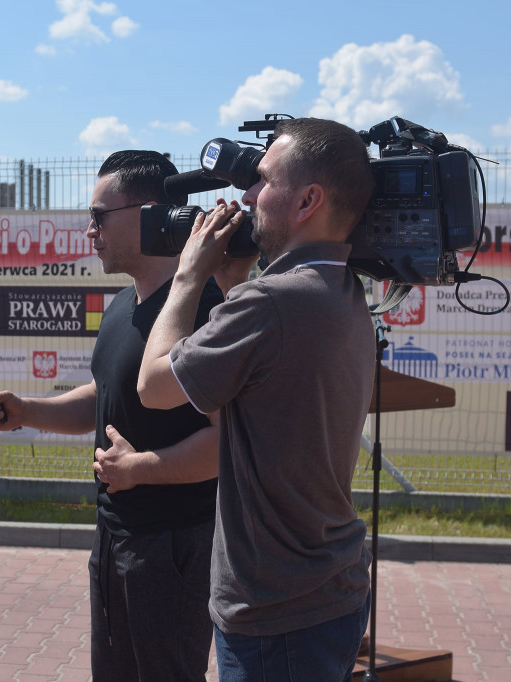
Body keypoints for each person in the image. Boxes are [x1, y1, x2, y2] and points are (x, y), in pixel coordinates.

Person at [137, 118, 377, 682]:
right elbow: (248, 397)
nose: (245, 196)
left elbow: (153, 386)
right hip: (329, 586)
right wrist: (231, 283)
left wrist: (188, 277)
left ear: (307, 201)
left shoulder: (271, 302)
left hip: (276, 609)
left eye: (263, 180)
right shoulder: (343, 289)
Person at [0, 150, 225, 681]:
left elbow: (224, 444)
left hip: (173, 548)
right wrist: (25, 412)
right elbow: (104, 396)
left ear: (151, 211)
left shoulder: (202, 309)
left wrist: (141, 469)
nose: (90, 230)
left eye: (99, 216)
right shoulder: (122, 306)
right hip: (115, 538)